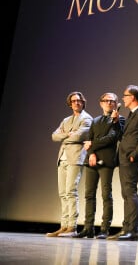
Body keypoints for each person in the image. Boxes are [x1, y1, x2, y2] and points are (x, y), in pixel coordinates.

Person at [73, 92, 125, 239]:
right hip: (92, 160)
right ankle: (88, 228)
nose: (109, 103)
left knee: (105, 194)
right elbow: (88, 140)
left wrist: (93, 145)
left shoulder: (119, 119)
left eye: (112, 101)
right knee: (89, 195)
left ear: (116, 104)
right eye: (106, 101)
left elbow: (112, 138)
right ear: (101, 103)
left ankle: (104, 229)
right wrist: (92, 154)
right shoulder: (95, 120)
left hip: (107, 161)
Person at [108, 85, 138, 241]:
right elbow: (123, 137)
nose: (123, 98)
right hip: (123, 159)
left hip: (131, 159)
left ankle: (132, 231)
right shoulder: (132, 114)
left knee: (130, 192)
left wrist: (134, 154)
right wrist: (115, 122)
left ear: (132, 97)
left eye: (125, 96)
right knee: (125, 193)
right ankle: (126, 228)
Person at [46, 91, 93, 237]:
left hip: (76, 158)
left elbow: (80, 135)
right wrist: (67, 134)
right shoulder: (66, 120)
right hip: (63, 158)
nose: (76, 103)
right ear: (70, 103)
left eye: (79, 100)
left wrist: (66, 136)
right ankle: (64, 226)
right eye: (73, 101)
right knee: (62, 193)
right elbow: (54, 136)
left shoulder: (87, 118)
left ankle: (72, 227)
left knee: (71, 192)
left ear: (83, 102)